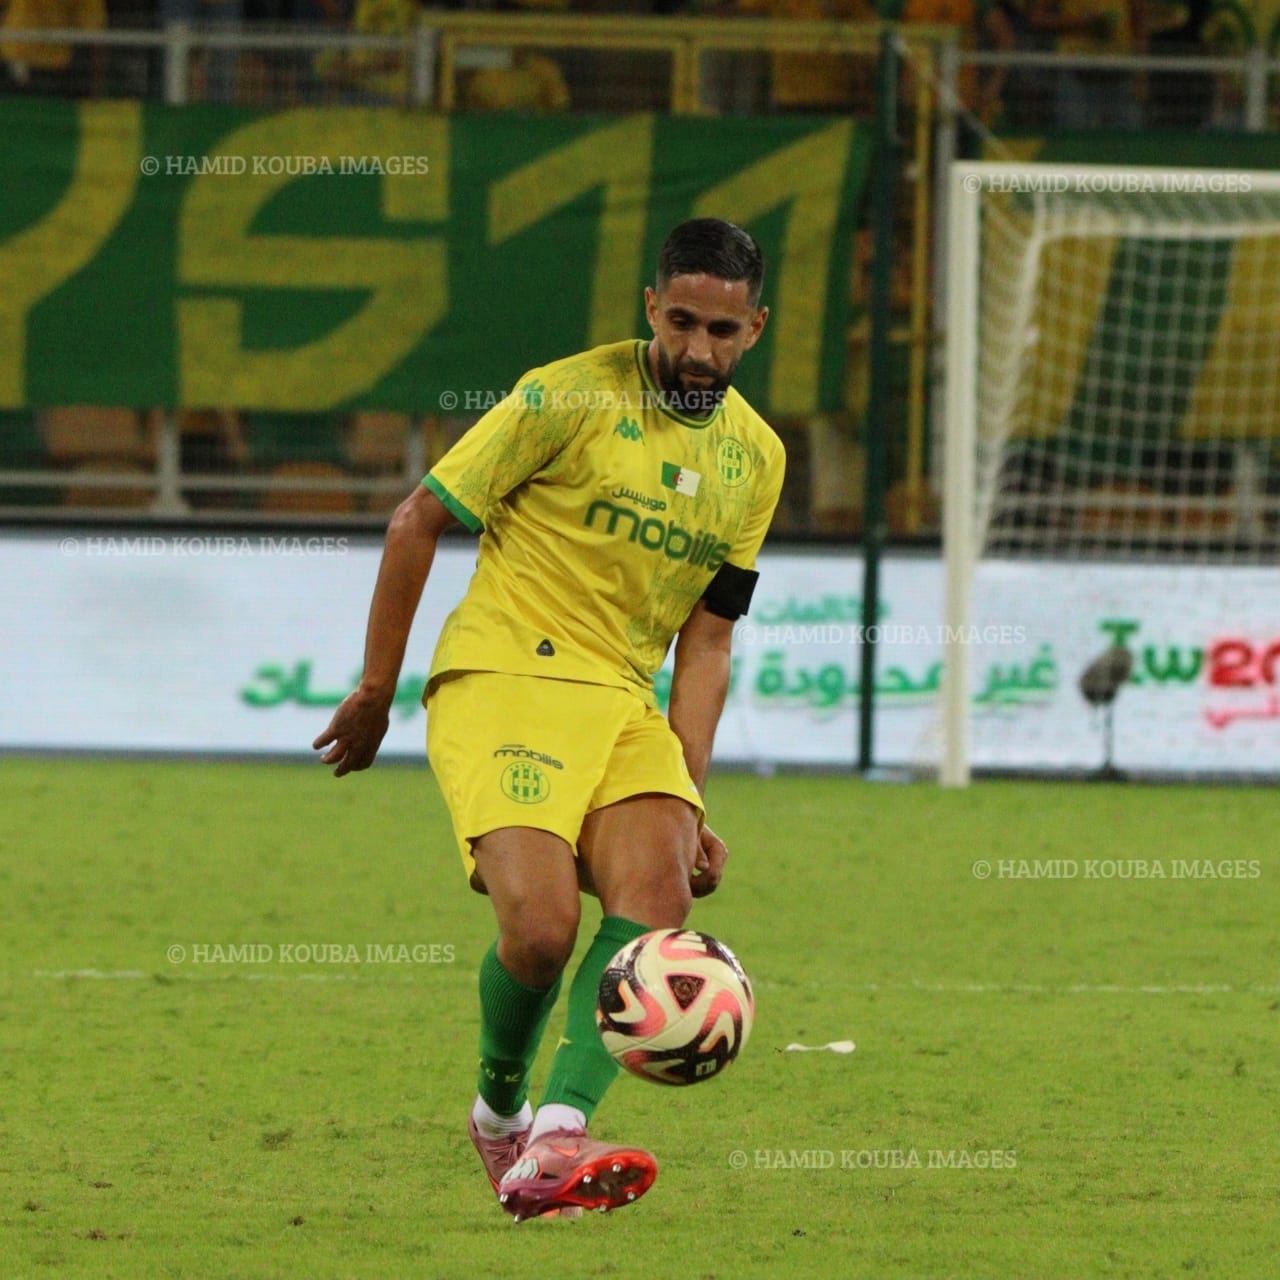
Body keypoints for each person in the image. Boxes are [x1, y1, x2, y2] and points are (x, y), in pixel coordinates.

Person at [313, 218, 785, 1222]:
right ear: (650, 307)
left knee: (657, 898)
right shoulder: (565, 396)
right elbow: (417, 519)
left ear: (755, 328)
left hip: (621, 697)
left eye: (722, 330)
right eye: (681, 322)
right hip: (504, 674)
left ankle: (559, 1132)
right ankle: (499, 1112)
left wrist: (689, 798)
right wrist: (376, 689)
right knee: (539, 931)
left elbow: (706, 643)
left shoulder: (757, 457)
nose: (698, 350)